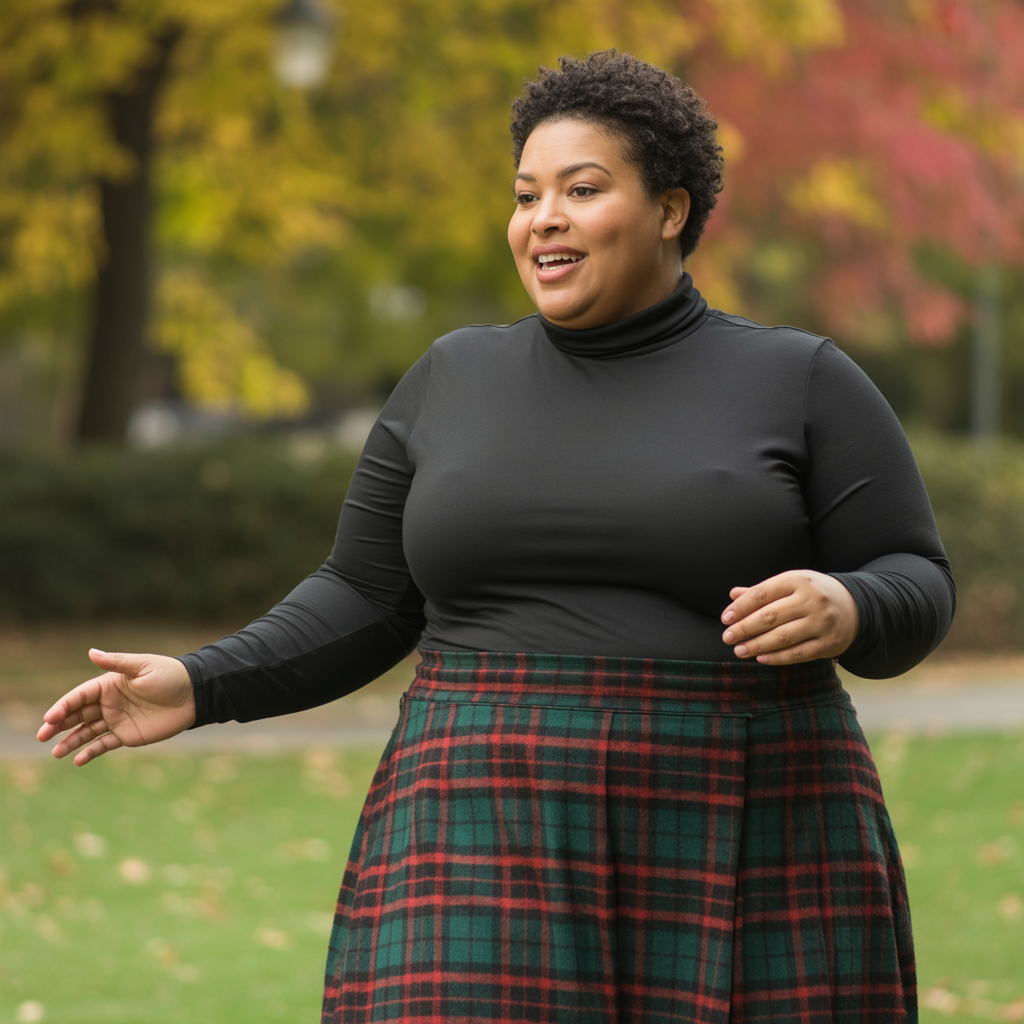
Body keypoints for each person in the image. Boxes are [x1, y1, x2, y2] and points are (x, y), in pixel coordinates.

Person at [40, 51, 953, 1024]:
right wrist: (200, 681)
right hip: (476, 813)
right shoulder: (452, 378)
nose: (542, 217)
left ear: (670, 209)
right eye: (525, 195)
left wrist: (850, 604)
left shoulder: (799, 379)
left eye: (581, 188)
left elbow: (917, 579)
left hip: (737, 808)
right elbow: (364, 595)